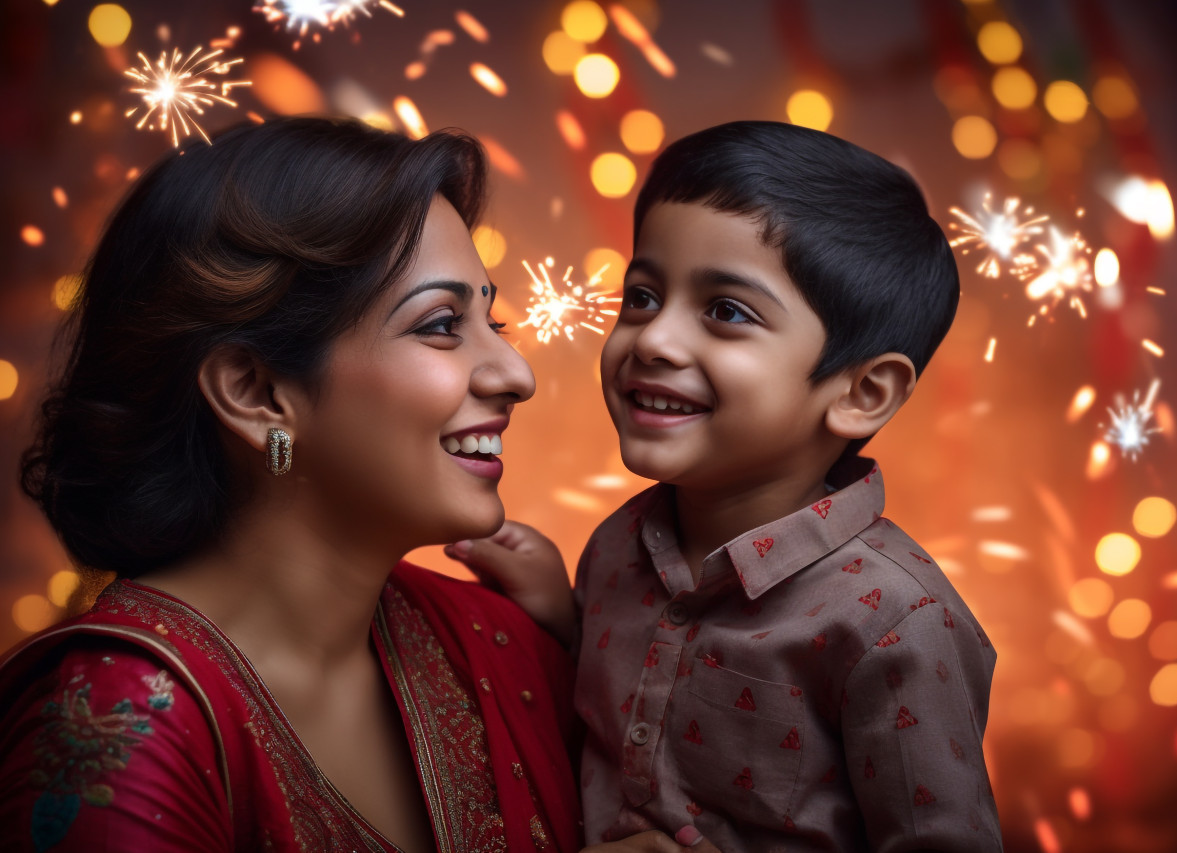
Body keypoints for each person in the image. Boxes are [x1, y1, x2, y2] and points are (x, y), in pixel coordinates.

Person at [0, 117, 711, 853]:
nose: (514, 375)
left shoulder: (497, 645)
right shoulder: (116, 723)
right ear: (258, 393)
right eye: (441, 325)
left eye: (492, 319)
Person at [449, 121, 1003, 851]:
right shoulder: (618, 546)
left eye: (726, 312)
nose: (652, 338)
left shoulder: (897, 623)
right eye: (643, 296)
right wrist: (560, 614)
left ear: (863, 392)